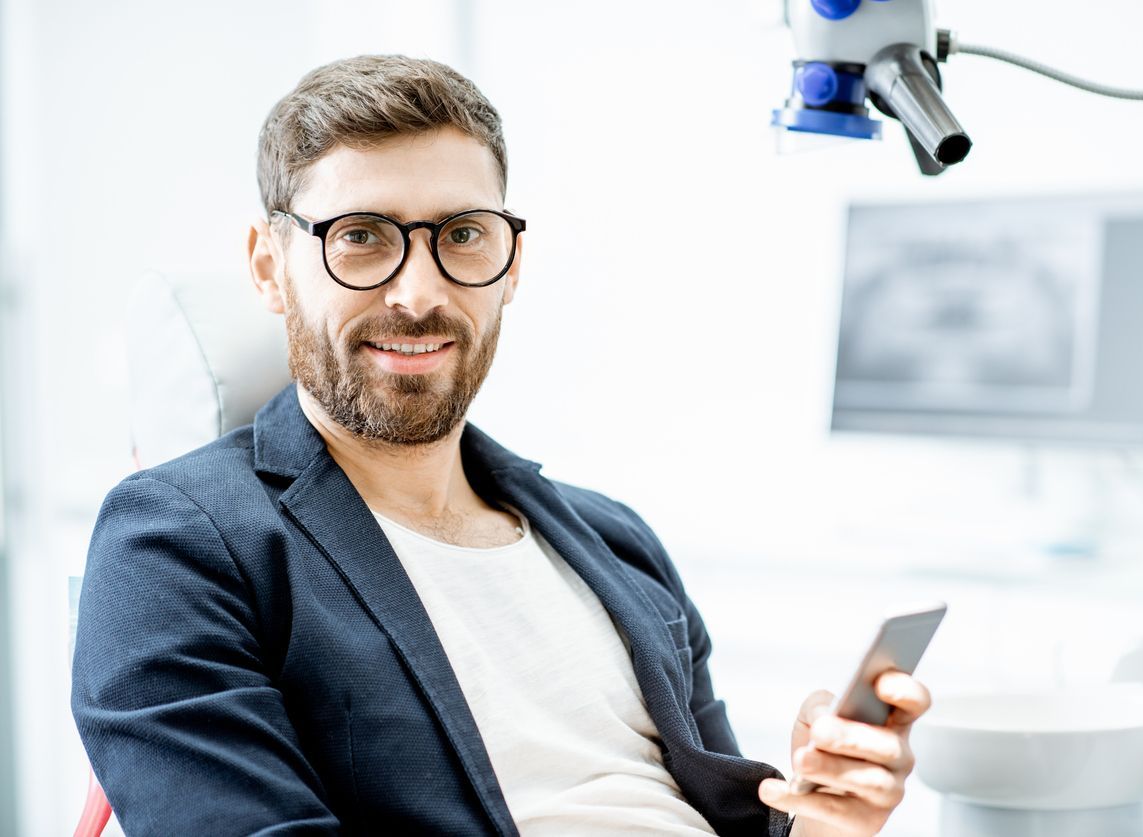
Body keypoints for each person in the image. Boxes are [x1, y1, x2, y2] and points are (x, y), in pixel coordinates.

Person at [71, 54, 931, 836]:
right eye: (361, 237)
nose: (417, 292)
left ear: (512, 261)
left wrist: (823, 822)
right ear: (268, 266)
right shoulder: (175, 541)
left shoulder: (616, 541)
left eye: (462, 235)